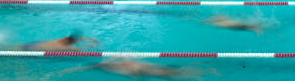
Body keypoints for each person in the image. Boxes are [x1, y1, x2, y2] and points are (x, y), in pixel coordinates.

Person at [61, 60, 203, 78]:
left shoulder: (109, 66)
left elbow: (136, 73)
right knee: (167, 72)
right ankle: (202, 72)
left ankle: (199, 73)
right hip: (142, 67)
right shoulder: (114, 63)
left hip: (141, 69)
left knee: (166, 74)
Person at [17, 33, 99, 51]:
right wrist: (90, 44)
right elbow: (79, 49)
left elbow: (74, 38)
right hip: (32, 50)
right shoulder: (63, 48)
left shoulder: (63, 39)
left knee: (13, 47)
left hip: (34, 43)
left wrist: (90, 38)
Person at [204, 14, 276, 33]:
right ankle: (259, 28)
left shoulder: (217, 24)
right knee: (249, 26)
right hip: (237, 25)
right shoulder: (218, 22)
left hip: (236, 25)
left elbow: (224, 16)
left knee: (247, 26)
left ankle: (258, 28)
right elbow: (224, 16)